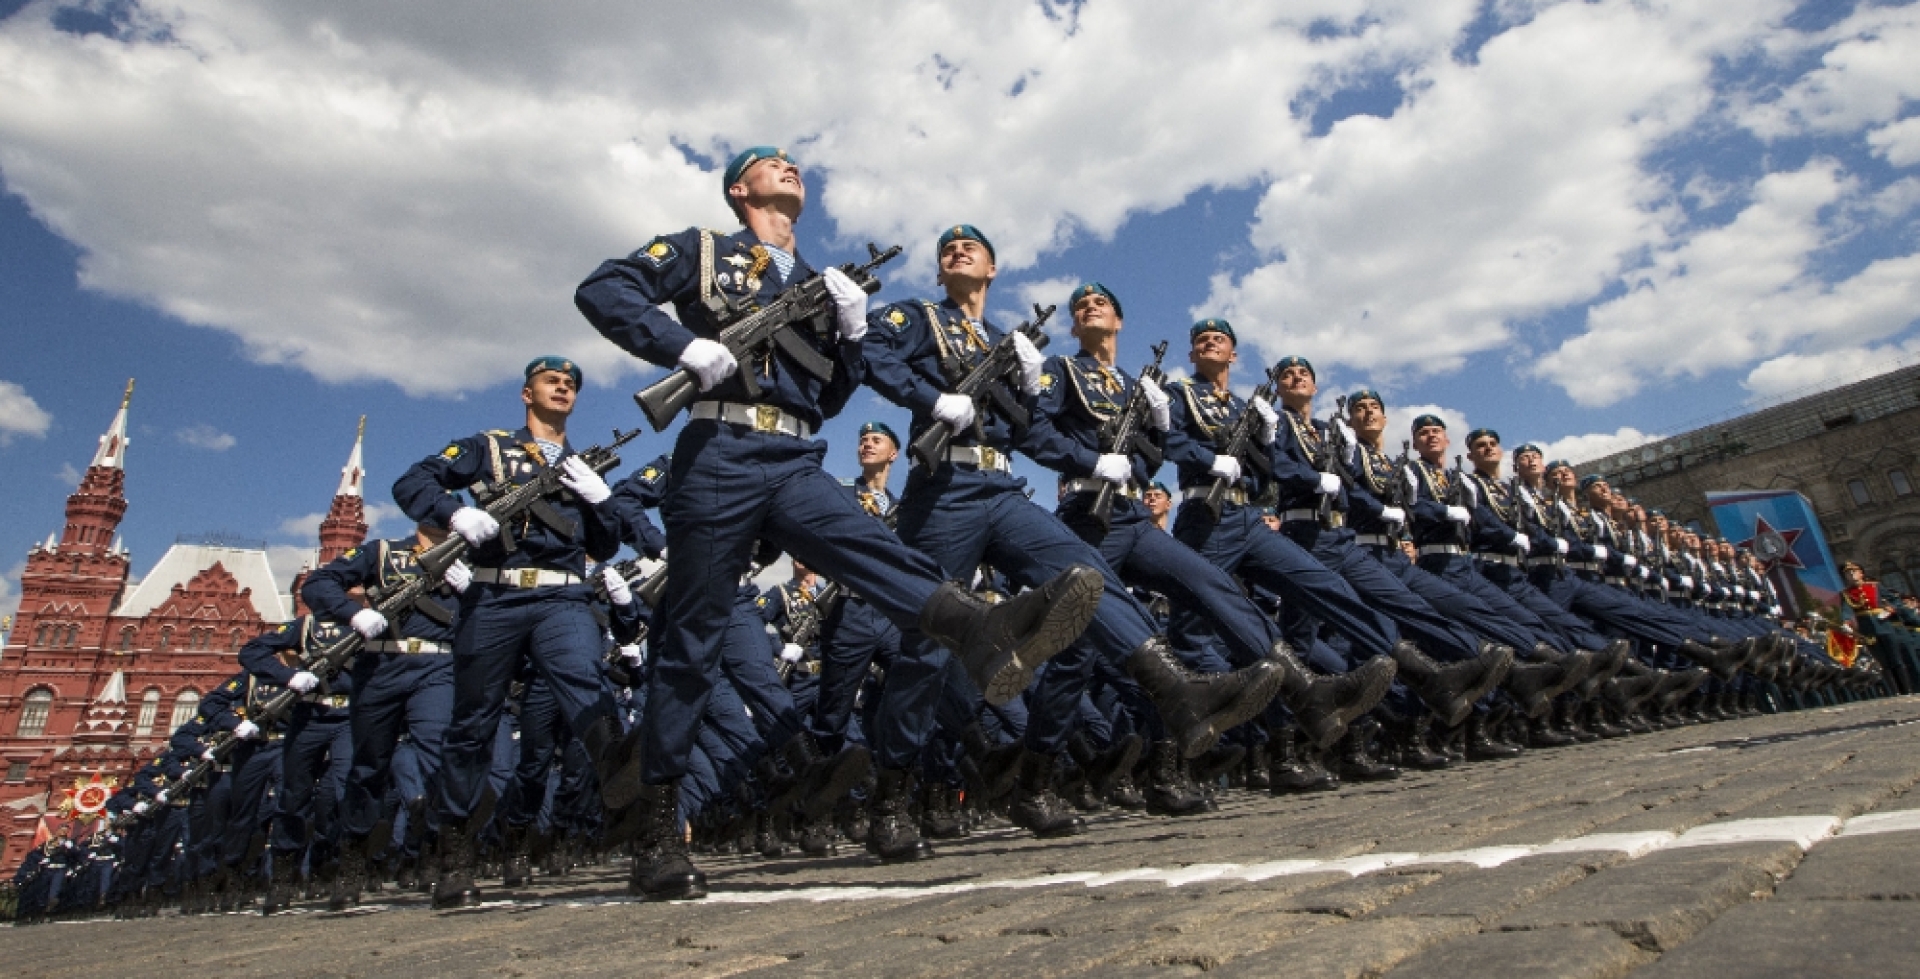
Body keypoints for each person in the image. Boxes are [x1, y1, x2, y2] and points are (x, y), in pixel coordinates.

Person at [574, 153, 1103, 895]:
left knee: (872, 547)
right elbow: (603, 288)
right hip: (719, 448)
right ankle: (658, 826)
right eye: (769, 164)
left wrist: (851, 334)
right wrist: (680, 345)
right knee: (690, 642)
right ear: (739, 189)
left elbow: (827, 398)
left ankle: (980, 628)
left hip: (792, 452)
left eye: (795, 165)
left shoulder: (818, 283)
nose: (788, 168)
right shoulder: (702, 250)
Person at [391, 356, 636, 908]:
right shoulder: (488, 447)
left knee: (586, 684)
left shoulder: (581, 464)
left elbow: (604, 545)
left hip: (563, 594)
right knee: (473, 723)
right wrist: (453, 513)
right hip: (496, 593)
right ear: (528, 394)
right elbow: (412, 481)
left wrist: (601, 502)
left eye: (571, 384)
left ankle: (625, 787)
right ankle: (455, 854)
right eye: (553, 381)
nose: (564, 388)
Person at [298, 520, 465, 909]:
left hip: (438, 665)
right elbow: (318, 584)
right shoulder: (383, 553)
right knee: (368, 766)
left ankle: (450, 861)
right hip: (381, 665)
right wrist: (352, 614)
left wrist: (475, 591)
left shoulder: (471, 556)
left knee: (441, 755)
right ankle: (353, 860)